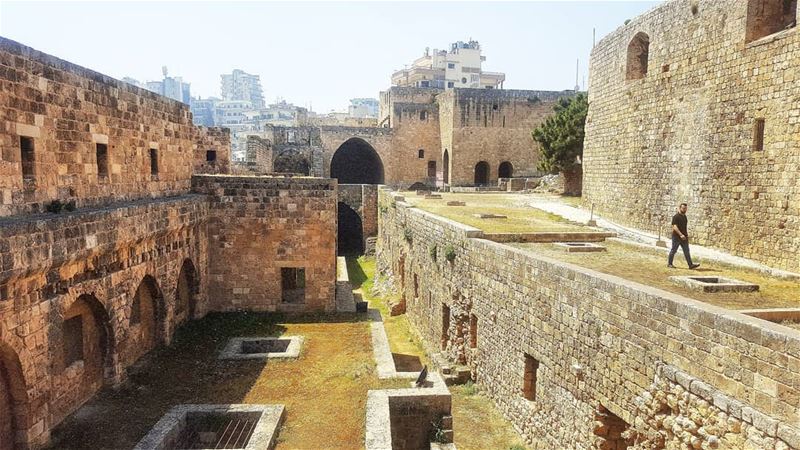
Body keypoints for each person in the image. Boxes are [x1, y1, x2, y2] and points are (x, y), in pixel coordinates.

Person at [667, 203, 700, 269]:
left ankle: (690, 265)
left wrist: (686, 235)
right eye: (683, 208)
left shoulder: (684, 217)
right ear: (680, 208)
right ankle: (670, 264)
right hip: (676, 237)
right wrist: (681, 234)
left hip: (684, 237)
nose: (685, 210)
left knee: (686, 251)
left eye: (686, 208)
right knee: (673, 250)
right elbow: (675, 227)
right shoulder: (676, 216)